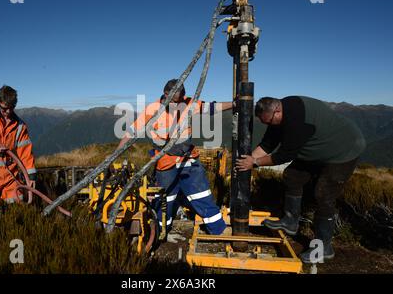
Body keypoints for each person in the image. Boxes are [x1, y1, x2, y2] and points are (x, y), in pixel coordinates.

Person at [236, 96, 366, 263]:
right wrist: (247, 161)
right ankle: (290, 222)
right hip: (317, 148)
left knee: (323, 194)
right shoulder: (279, 114)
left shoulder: (298, 122)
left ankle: (323, 248)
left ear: (277, 111)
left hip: (344, 149)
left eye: (267, 121)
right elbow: (268, 143)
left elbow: (283, 155)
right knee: (293, 177)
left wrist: (254, 163)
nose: (266, 125)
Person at [114, 79, 233, 236]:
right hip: (166, 161)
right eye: (176, 100)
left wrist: (234, 103)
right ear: (166, 95)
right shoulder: (153, 109)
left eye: (182, 98)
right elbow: (132, 131)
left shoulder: (188, 103)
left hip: (188, 158)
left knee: (201, 192)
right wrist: (116, 153)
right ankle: (160, 231)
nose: (179, 104)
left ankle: (218, 229)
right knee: (165, 199)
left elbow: (212, 107)